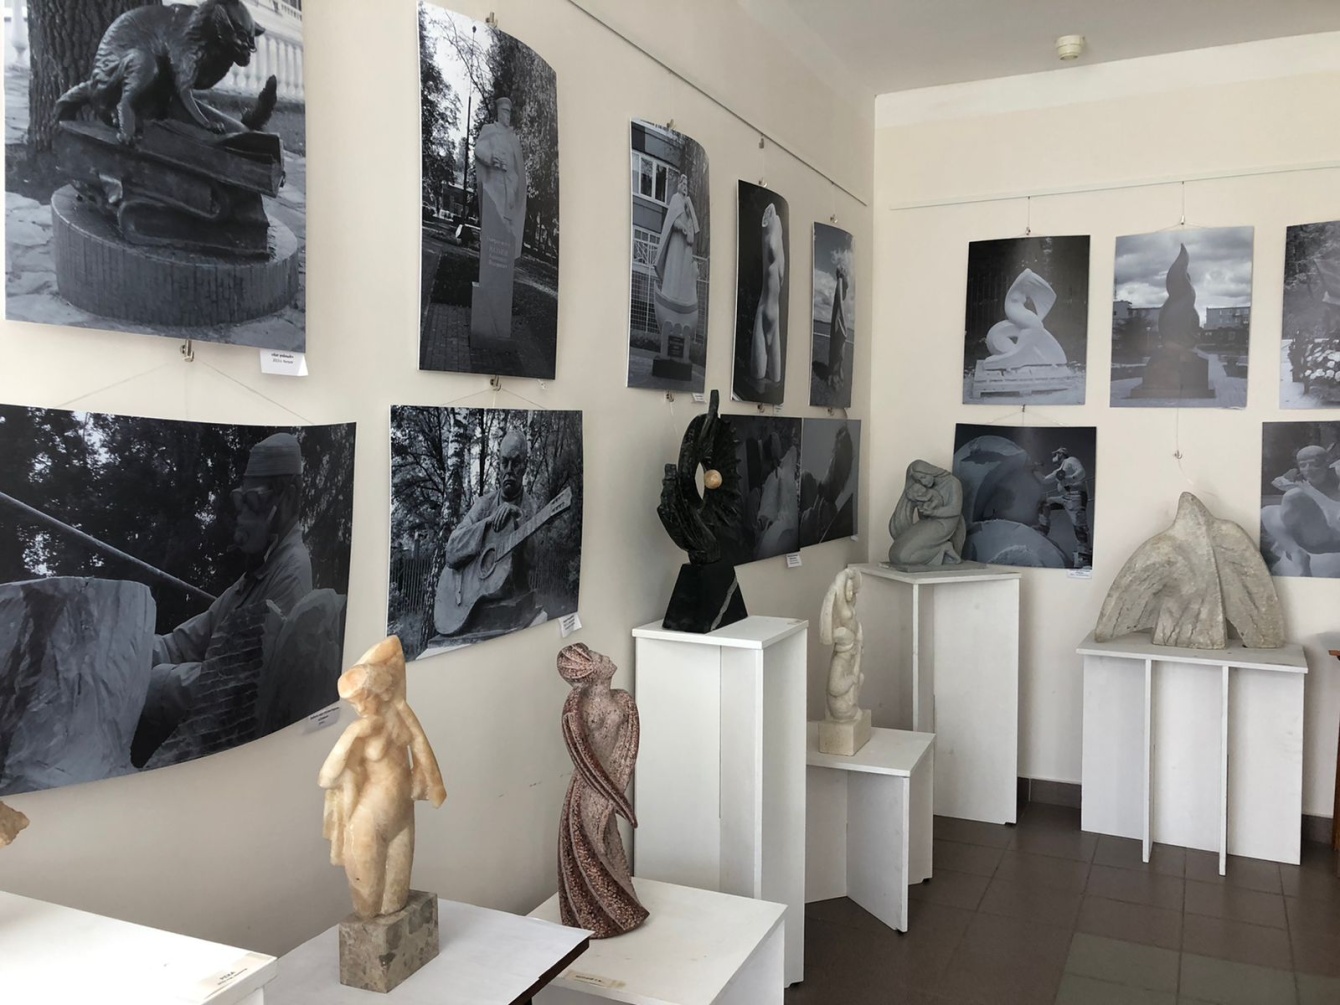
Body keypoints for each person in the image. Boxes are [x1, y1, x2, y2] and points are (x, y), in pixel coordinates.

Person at [132, 432, 312, 765]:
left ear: (287, 499)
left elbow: (240, 686)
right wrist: (126, 650)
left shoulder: (291, 572)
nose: (241, 517)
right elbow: (182, 644)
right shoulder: (254, 576)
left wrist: (150, 684)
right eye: (239, 501)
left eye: (253, 502)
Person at [319, 636, 446, 920]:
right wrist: (351, 734)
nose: (359, 709)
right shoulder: (361, 731)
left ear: (379, 692)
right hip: (367, 824)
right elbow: (326, 778)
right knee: (368, 910)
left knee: (394, 905)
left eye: (362, 700)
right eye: (354, 704)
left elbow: (393, 646)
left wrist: (434, 785)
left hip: (403, 816)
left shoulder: (400, 713)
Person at [556, 643, 648, 938]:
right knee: (593, 843)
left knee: (608, 840)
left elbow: (626, 749)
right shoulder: (577, 709)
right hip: (589, 784)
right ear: (587, 671)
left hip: (608, 780)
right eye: (596, 657)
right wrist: (607, 790)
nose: (605, 657)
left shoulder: (622, 700)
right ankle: (593, 912)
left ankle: (618, 907)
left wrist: (616, 789)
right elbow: (581, 753)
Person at [438, 427, 544, 635]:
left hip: (513, 608)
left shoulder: (531, 508)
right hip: (470, 602)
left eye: (516, 463)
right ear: (498, 465)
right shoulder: (484, 504)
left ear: (525, 466)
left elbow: (533, 562)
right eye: (505, 462)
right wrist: (488, 523)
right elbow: (451, 549)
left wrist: (519, 520)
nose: (509, 470)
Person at [1263, 445, 1340, 576]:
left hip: (1331, 536)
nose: (1308, 470)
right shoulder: (1300, 481)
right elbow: (1279, 480)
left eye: (1315, 464)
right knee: (1268, 511)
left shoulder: (1336, 481)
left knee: (1294, 495)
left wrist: (1310, 492)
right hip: (1309, 533)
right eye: (1303, 465)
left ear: (1326, 464)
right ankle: (1296, 552)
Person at [473, 96, 527, 261]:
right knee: (492, 230)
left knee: (504, 233)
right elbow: (478, 149)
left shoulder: (513, 139)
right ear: (498, 112)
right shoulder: (489, 130)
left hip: (508, 192)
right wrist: (491, 157)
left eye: (509, 112)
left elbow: (517, 169)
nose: (507, 115)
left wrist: (514, 185)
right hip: (493, 187)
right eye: (504, 111)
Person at [887, 460, 966, 567]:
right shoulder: (925, 487)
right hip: (928, 521)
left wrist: (934, 512)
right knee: (894, 554)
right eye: (919, 480)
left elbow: (955, 509)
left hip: (944, 524)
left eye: (923, 477)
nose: (923, 482)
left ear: (931, 471)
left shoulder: (953, 483)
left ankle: (943, 548)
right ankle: (941, 549)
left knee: (903, 557)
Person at [654, 173, 700, 312]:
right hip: (675, 242)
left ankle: (678, 298)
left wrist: (689, 210)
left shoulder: (686, 203)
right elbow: (673, 222)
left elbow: (693, 224)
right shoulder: (675, 199)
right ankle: (670, 293)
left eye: (686, 185)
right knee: (673, 267)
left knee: (680, 270)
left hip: (683, 244)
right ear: (679, 185)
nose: (685, 187)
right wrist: (682, 227)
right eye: (683, 184)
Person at [1041, 446, 1092, 567]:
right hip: (1064, 498)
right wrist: (1033, 471)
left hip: (1075, 495)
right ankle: (1041, 528)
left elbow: (1081, 472)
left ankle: (1085, 557)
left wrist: (1070, 479)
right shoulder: (1059, 469)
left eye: (1056, 454)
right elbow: (1044, 480)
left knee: (1079, 526)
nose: (1054, 457)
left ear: (1061, 454)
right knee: (1045, 503)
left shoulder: (1071, 460)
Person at [826, 264, 849, 389]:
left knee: (840, 348)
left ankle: (837, 372)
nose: (845, 271)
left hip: (840, 317)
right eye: (843, 270)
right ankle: (834, 376)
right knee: (839, 349)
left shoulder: (843, 282)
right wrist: (843, 322)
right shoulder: (840, 280)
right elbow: (840, 301)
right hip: (839, 318)